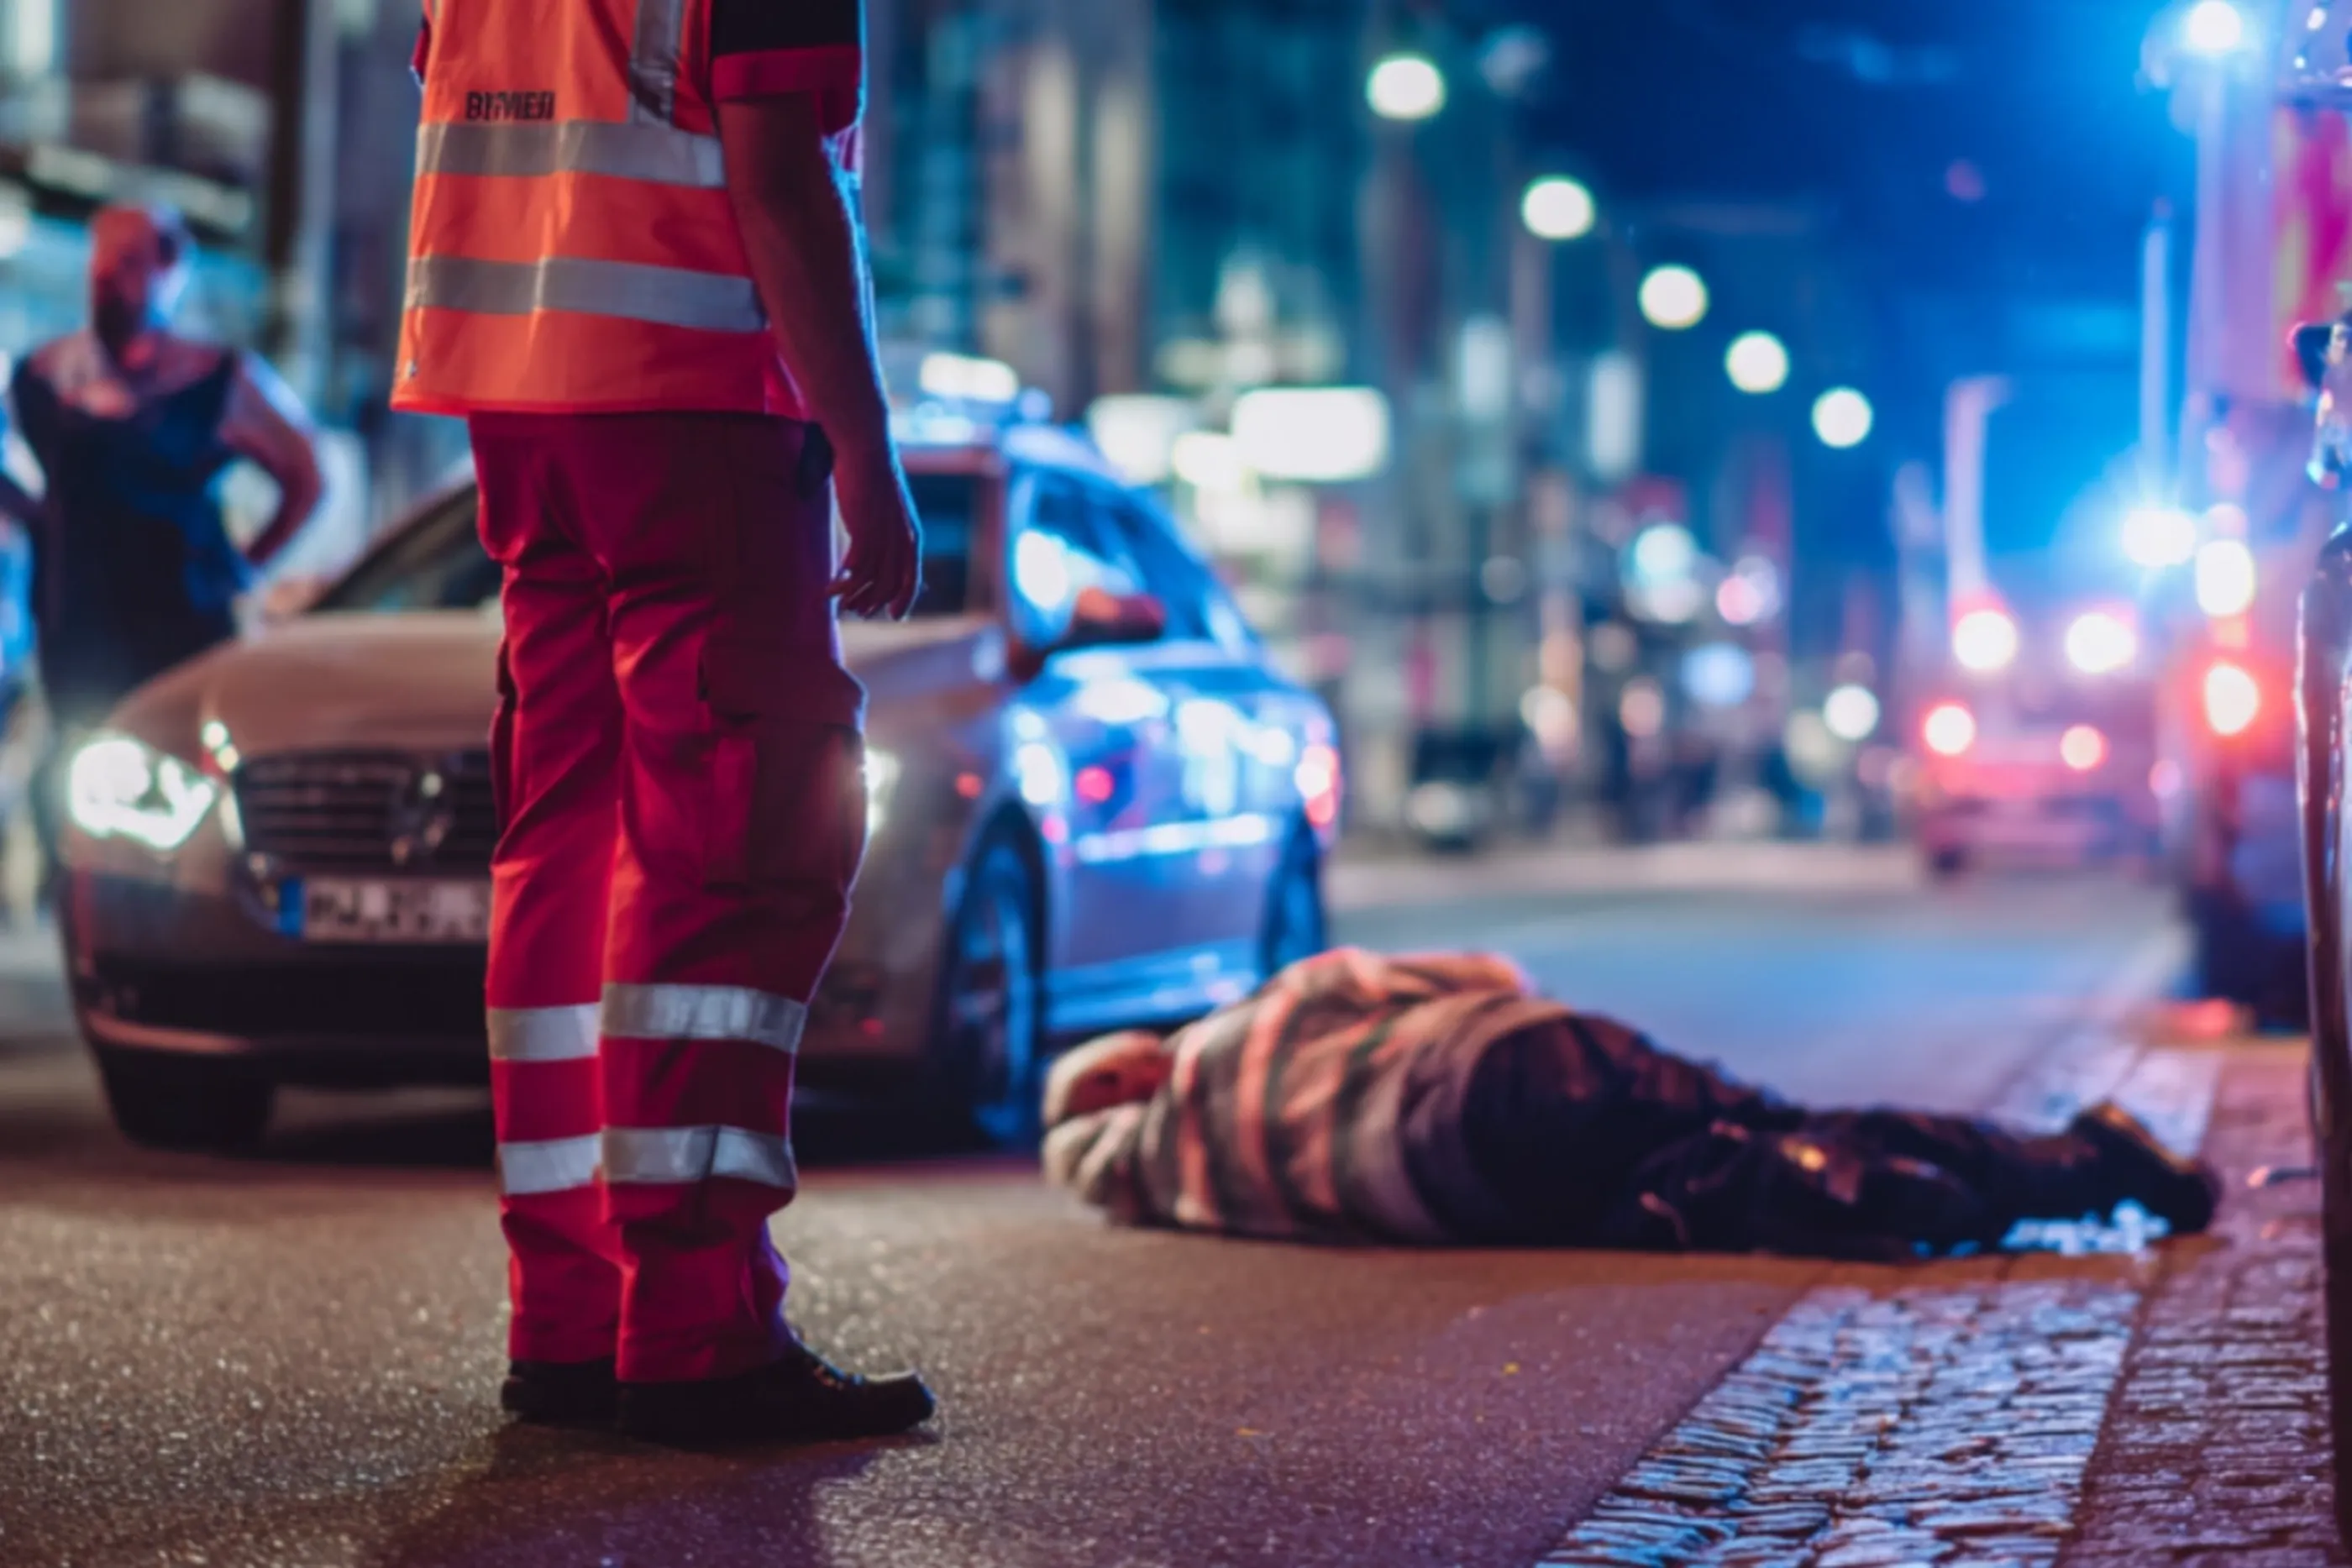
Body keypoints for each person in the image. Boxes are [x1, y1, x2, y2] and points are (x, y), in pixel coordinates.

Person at [398, 0, 930, 1448]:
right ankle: (695, 1324)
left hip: (518, 407)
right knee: (730, 848)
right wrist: (867, 451)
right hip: (698, 407)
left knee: (564, 847)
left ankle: (571, 1312)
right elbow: (781, 174)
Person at [1043, 948, 2221, 1258]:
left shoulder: (1190, 1192)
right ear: (1135, 1066)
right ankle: (2081, 1161)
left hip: (1471, 1188)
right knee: (1779, 1115)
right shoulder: (1258, 1018)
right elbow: (1488, 972)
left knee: (1694, 1186)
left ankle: (1883, 1196)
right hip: (1509, 1065)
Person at [12, 203, 323, 878]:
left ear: (169, 272)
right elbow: (39, 488)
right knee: (71, 803)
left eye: (127, 263)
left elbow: (305, 476)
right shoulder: (43, 376)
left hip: (179, 635)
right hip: (77, 636)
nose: (106, 278)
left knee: (177, 804)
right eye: (100, 262)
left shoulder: (217, 380)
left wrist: (245, 566)